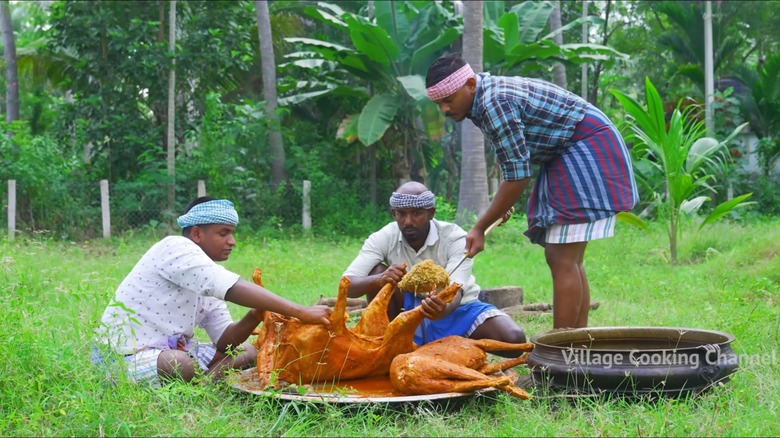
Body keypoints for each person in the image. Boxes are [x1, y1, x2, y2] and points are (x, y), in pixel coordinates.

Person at [425, 53, 638, 330]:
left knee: (562, 258)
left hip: (585, 148)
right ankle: (576, 341)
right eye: (439, 103)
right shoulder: (485, 98)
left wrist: (479, 227)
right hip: (569, 151)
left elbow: (518, 176)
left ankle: (559, 345)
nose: (444, 109)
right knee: (568, 259)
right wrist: (501, 205)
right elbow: (516, 164)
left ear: (470, 84)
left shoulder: (494, 102)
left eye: (448, 99)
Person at [93, 197, 332, 388]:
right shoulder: (175, 247)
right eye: (223, 233)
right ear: (197, 234)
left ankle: (204, 385)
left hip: (176, 353)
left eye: (232, 233)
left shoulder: (207, 274)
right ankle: (203, 381)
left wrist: (254, 315)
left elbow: (225, 341)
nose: (232, 241)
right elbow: (230, 287)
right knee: (179, 364)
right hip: (123, 357)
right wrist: (300, 311)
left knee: (248, 351)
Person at [343, 181, 526, 357]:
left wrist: (443, 308)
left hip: (457, 309)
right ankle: (391, 346)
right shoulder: (384, 237)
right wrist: (380, 278)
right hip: (407, 310)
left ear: (430, 213)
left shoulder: (454, 237)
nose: (408, 221)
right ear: (393, 214)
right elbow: (347, 286)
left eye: (416, 213)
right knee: (376, 272)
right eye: (401, 214)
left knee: (513, 340)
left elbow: (457, 289)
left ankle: (453, 346)